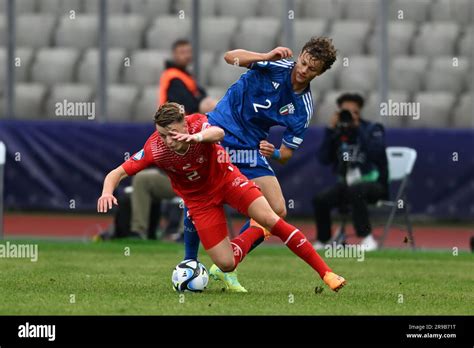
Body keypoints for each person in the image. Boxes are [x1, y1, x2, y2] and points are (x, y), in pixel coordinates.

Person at [97, 102, 346, 293]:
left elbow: (217, 133)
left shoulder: (197, 125)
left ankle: (326, 273)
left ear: (184, 124)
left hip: (228, 181)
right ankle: (247, 241)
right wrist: (107, 192)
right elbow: (116, 173)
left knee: (273, 217)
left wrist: (196, 138)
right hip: (200, 203)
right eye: (162, 135)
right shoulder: (156, 149)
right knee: (227, 263)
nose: (167, 140)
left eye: (172, 133)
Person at [182, 37, 338, 291]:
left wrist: (274, 153)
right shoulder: (274, 64)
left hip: (249, 148)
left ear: (320, 73)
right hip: (219, 132)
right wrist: (265, 55)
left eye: (311, 69)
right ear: (299, 55)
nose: (303, 70)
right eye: (303, 62)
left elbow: (286, 154)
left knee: (277, 209)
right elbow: (230, 56)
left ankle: (230, 261)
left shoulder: (303, 107)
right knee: (202, 194)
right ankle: (189, 260)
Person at [312, 93, 389, 251]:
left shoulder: (372, 129)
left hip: (374, 184)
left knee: (356, 190)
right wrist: (329, 131)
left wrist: (358, 128)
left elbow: (377, 153)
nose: (349, 115)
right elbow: (323, 159)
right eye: (345, 111)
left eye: (353, 112)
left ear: (359, 112)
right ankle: (324, 239)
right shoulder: (338, 133)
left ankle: (367, 238)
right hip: (347, 185)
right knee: (320, 199)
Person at [159, 38, 217, 114]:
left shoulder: (184, 74)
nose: (187, 56)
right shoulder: (173, 77)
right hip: (172, 122)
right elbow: (188, 105)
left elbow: (202, 93)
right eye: (182, 52)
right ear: (174, 54)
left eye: (188, 52)